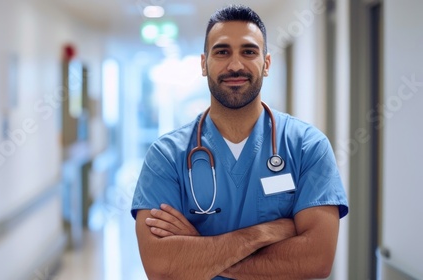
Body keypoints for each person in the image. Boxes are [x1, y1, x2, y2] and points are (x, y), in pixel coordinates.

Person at [131, 4, 349, 280]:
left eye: (248, 51)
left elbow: (316, 259)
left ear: (266, 64)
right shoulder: (166, 156)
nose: (235, 65)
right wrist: (264, 233)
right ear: (203, 63)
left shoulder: (307, 146)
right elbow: (161, 266)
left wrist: (198, 250)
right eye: (222, 52)